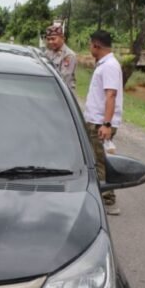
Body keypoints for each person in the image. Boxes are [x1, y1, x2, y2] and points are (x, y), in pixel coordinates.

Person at [83, 30, 123, 216]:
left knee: (100, 162)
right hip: (95, 121)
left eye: (90, 45)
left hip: (100, 123)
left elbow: (111, 95)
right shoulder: (104, 64)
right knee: (94, 159)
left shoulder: (109, 66)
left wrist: (106, 124)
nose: (89, 48)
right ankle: (99, 194)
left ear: (96, 45)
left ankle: (108, 201)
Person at [44, 25, 77, 90]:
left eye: (53, 39)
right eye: (48, 39)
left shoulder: (69, 55)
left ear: (62, 38)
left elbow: (64, 78)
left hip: (64, 92)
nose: (50, 42)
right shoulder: (47, 53)